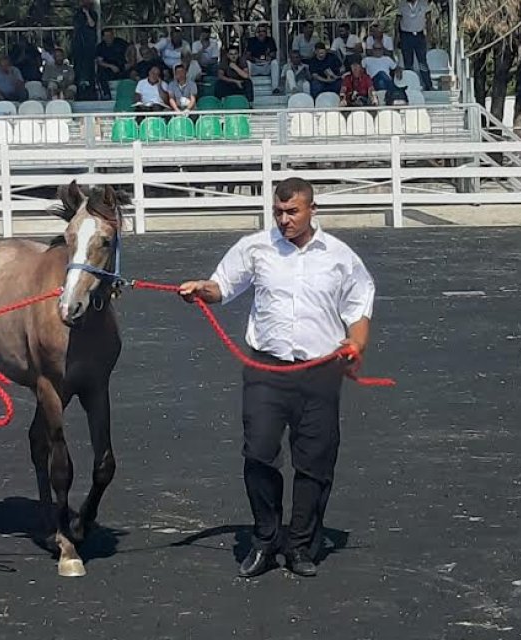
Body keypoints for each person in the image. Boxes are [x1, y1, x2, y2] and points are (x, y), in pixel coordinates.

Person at [177, 177, 375, 579]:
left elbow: (359, 306)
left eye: (293, 212)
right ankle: (266, 541)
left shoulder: (340, 256)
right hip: (266, 370)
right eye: (278, 212)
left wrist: (356, 344)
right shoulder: (256, 248)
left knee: (315, 461)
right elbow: (223, 286)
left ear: (312, 210)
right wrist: (202, 289)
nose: (284, 220)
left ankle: (301, 545)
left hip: (320, 371)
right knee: (259, 454)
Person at [399, 0, 434, 91]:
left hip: (419, 35)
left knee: (422, 61)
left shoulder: (424, 3)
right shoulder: (401, 4)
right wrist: (397, 38)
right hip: (406, 35)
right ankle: (408, 85)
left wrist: (429, 35)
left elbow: (429, 20)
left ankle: (428, 84)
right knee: (408, 63)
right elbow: (397, 22)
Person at [246, 24, 281, 94]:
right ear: (256, 33)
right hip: (255, 66)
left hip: (266, 66)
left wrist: (265, 58)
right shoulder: (251, 41)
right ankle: (248, 88)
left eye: (263, 31)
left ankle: (275, 88)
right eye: (259, 31)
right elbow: (247, 55)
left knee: (274, 62)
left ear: (266, 32)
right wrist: (255, 60)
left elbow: (273, 54)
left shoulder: (270, 40)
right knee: (247, 63)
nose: (261, 33)